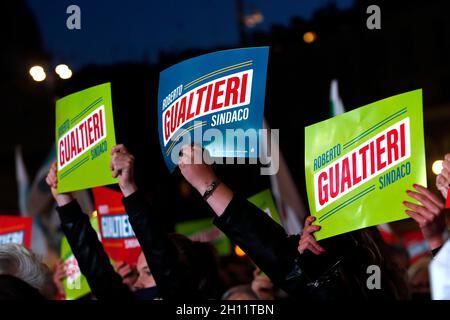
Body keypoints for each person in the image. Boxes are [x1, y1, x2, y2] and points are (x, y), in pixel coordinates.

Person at [178, 144, 409, 300]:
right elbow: (282, 258)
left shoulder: (374, 273)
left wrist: (208, 185)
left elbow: (280, 258)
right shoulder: (320, 267)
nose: (310, 231)